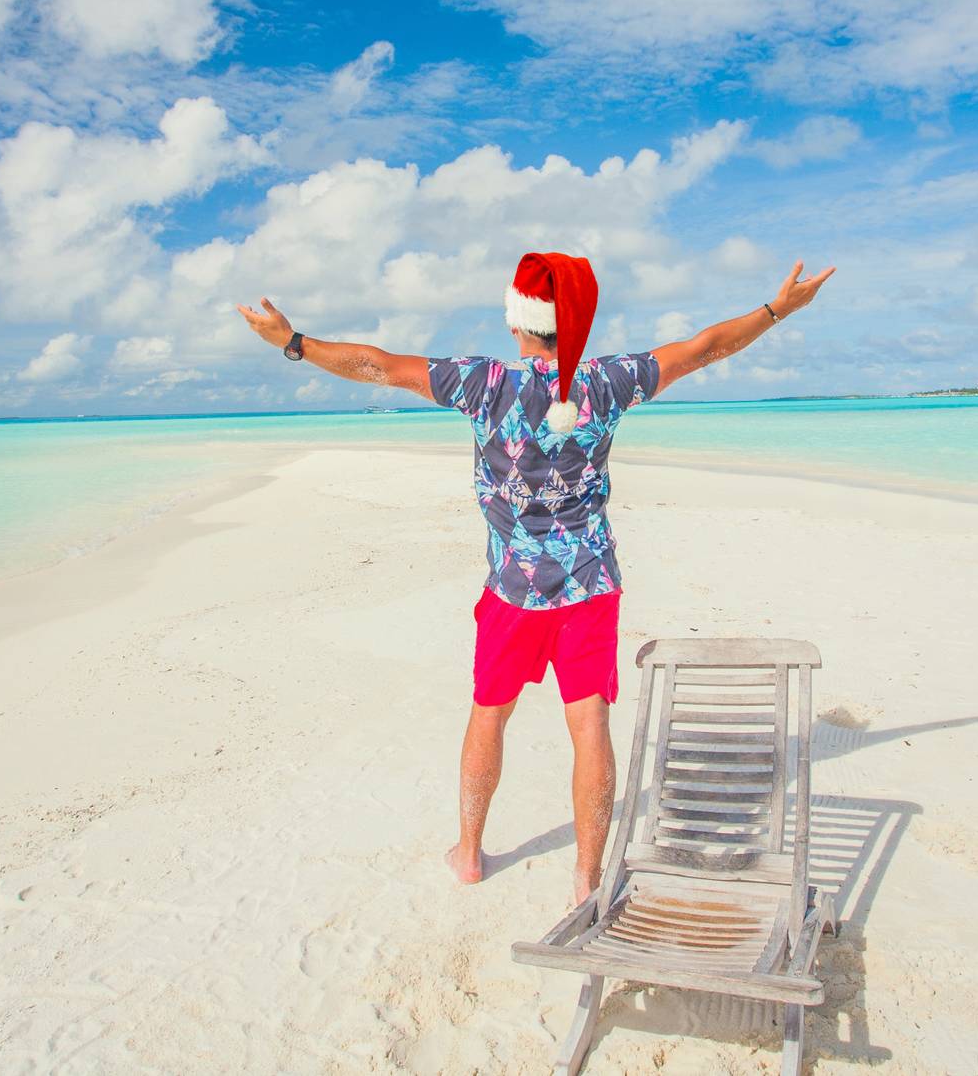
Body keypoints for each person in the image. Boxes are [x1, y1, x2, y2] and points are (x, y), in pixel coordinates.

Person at [237, 250, 836, 903]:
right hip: (589, 588)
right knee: (590, 727)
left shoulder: (486, 383)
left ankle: (469, 853)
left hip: (514, 595)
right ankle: (585, 879)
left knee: (489, 718)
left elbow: (376, 364)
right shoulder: (607, 382)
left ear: (518, 322)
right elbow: (704, 348)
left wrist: (292, 342)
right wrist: (777, 310)